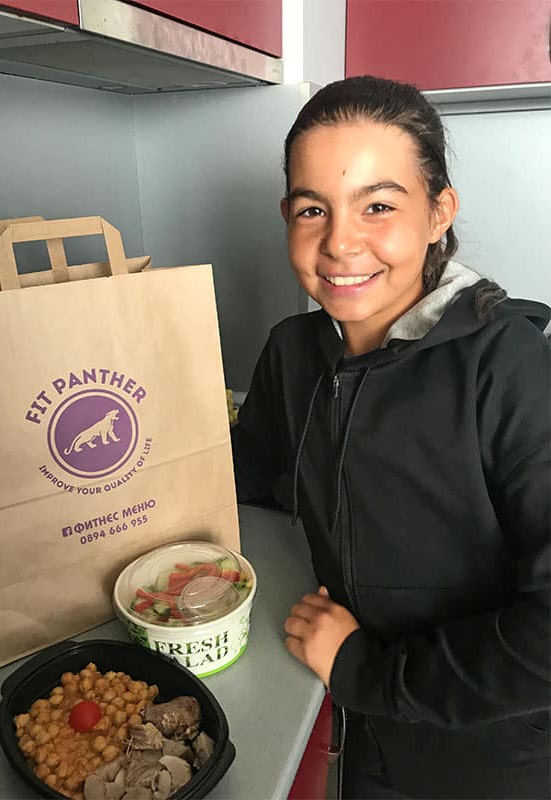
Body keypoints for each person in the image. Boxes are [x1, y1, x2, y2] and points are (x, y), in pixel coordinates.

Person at [231, 75, 551, 799]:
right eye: (313, 209)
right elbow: (250, 479)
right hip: (355, 729)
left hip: (484, 757)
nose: (340, 242)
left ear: (439, 213)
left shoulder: (511, 368)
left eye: (378, 205)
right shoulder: (291, 353)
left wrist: (365, 671)